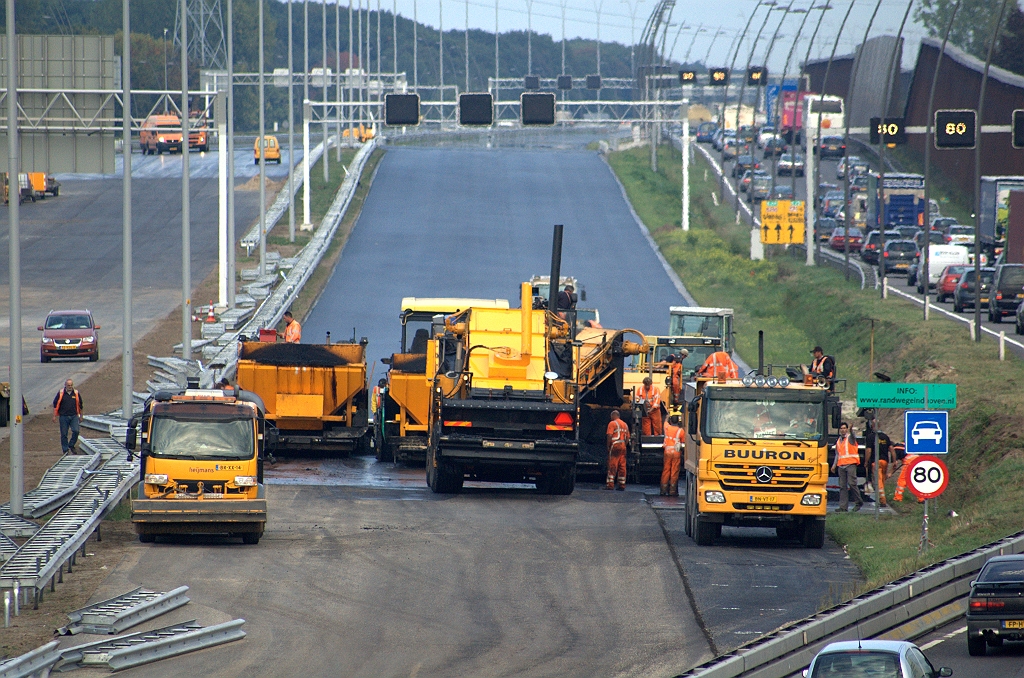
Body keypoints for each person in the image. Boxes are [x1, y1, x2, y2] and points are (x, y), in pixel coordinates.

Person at [830, 422, 863, 512]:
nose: (843, 430)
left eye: (844, 428)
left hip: (851, 464)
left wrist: (852, 429)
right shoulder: (838, 441)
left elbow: (853, 435)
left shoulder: (850, 438)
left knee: (852, 484)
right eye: (841, 428)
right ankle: (843, 507)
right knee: (842, 486)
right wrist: (834, 466)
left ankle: (858, 502)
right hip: (841, 466)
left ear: (847, 429)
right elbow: (837, 454)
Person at [865, 421, 893, 507]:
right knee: (882, 480)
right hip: (885, 462)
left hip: (876, 462)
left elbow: (869, 451)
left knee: (878, 481)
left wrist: (866, 461)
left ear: (872, 427)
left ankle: (882, 500)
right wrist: (894, 461)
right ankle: (881, 497)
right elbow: (891, 449)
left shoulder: (870, 437)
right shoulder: (885, 437)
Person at [52, 379, 83, 455]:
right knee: (64, 434)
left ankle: (71, 445)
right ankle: (65, 449)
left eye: (71, 385)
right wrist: (54, 416)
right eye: (68, 385)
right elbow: (55, 405)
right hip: (63, 417)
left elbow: (80, 405)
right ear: (65, 385)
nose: (70, 386)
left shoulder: (76, 393)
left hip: (74, 416)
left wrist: (81, 416)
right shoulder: (61, 393)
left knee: (76, 431)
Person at [606, 409, 630, 491]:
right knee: (622, 466)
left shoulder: (612, 423)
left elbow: (609, 435)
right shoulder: (625, 425)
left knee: (612, 464)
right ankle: (622, 485)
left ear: (613, 416)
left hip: (615, 445)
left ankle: (610, 484)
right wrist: (624, 445)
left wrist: (608, 446)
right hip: (623, 445)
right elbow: (628, 438)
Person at [660, 414, 684, 496]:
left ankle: (663, 490)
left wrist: (667, 416)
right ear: (678, 421)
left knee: (666, 470)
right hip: (676, 453)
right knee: (674, 471)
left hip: (667, 452)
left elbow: (665, 422)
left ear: (671, 421)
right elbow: (683, 442)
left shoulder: (667, 428)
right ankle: (672, 491)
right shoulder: (681, 431)